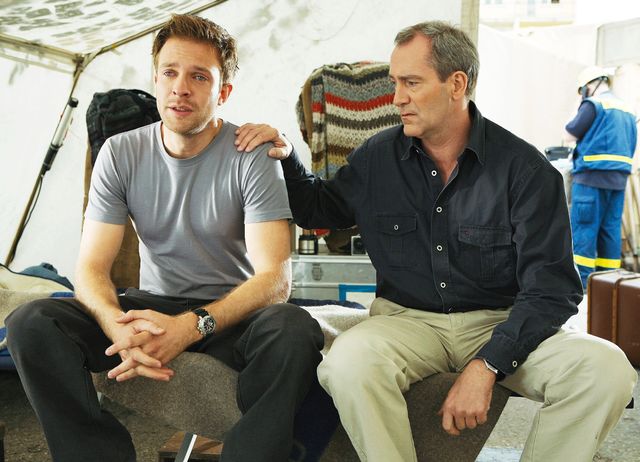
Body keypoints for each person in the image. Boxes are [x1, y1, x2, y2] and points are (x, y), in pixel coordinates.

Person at [236, 21, 637, 462]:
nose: (396, 98)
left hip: (500, 321)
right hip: (406, 323)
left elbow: (553, 289)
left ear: (456, 84)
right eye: (395, 83)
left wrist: (488, 364)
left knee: (607, 370)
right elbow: (319, 210)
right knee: (347, 364)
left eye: (411, 83)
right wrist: (286, 155)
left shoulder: (524, 170)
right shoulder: (377, 159)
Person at [6, 14, 323, 462]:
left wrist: (190, 328)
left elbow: (275, 280)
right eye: (170, 73)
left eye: (199, 76)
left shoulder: (251, 154)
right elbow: (91, 268)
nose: (181, 88)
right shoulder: (120, 152)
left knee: (293, 328)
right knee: (32, 321)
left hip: (228, 315)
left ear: (223, 92)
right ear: (155, 80)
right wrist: (115, 323)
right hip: (151, 305)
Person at [564, 66, 637, 288]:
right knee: (610, 232)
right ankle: (610, 285)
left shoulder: (593, 105)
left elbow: (569, 134)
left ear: (589, 86)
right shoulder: (627, 110)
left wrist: (579, 105)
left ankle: (583, 287)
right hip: (618, 182)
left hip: (590, 180)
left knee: (584, 231)